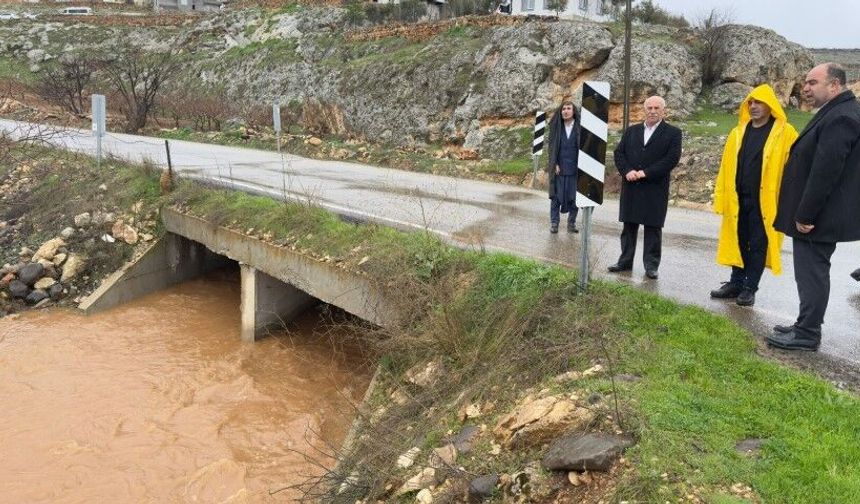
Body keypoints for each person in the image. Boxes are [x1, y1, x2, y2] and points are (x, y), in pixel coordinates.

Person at [766, 63, 860, 351]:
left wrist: (806, 214)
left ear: (834, 85)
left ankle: (807, 333)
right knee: (809, 272)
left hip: (819, 216)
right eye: (805, 83)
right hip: (820, 213)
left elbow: (826, 170)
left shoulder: (842, 116)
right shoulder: (836, 111)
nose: (805, 88)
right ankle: (804, 324)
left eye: (812, 82)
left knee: (812, 272)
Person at [710, 84, 798, 307]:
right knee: (737, 240)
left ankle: (750, 288)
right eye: (750, 102)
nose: (753, 106)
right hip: (738, 199)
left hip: (766, 202)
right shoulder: (738, 132)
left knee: (758, 244)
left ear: (770, 106)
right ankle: (736, 282)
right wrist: (720, 196)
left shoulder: (785, 133)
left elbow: (795, 169)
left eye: (758, 102)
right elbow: (725, 167)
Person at [608, 95, 682, 279]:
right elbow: (619, 153)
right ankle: (624, 262)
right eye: (649, 108)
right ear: (644, 109)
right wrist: (627, 171)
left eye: (657, 108)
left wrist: (646, 173)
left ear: (663, 110)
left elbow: (671, 159)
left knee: (653, 228)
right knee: (629, 227)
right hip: (631, 186)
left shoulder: (673, 133)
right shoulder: (631, 131)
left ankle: (651, 266)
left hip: (655, 187)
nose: (653, 111)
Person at [546, 99, 580, 234]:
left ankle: (571, 223)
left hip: (574, 169)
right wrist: (554, 164)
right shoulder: (556, 127)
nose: (565, 111)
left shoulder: (579, 127)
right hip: (559, 169)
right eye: (563, 109)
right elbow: (551, 148)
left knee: (574, 198)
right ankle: (554, 223)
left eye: (568, 108)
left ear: (573, 111)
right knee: (555, 197)